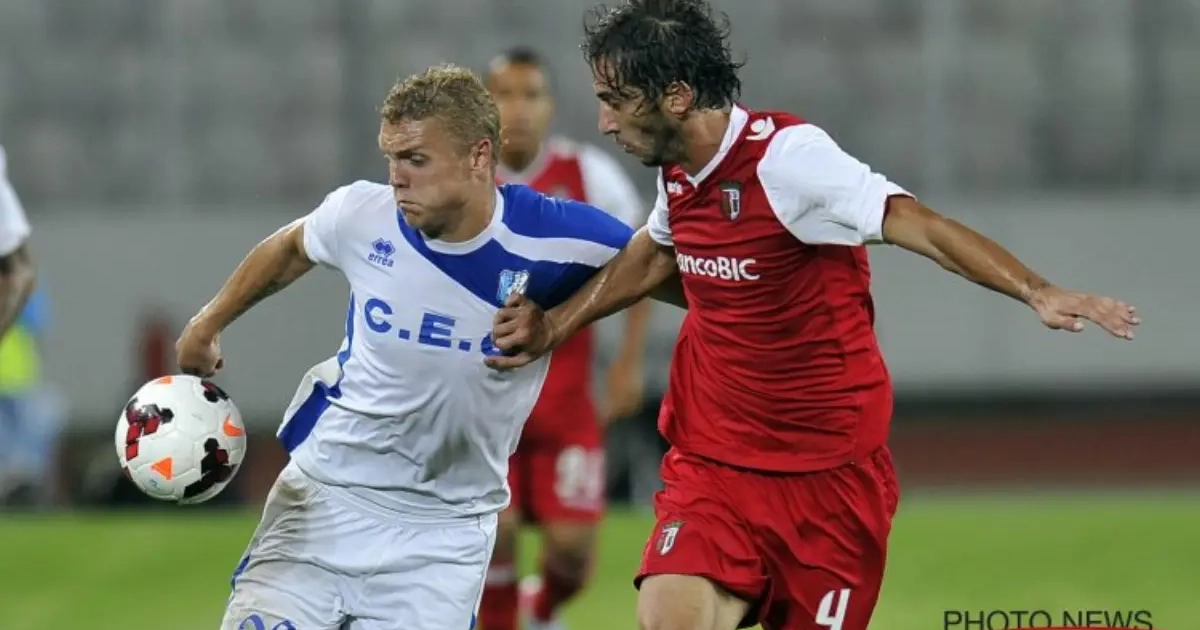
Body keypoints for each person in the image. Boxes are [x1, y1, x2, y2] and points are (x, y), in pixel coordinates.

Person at [484, 2, 1141, 630]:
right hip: (715, 466)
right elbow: (656, 252)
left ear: (676, 98)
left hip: (829, 481)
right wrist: (555, 324)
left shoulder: (789, 161)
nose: (604, 122)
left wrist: (1036, 290)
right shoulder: (679, 171)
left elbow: (919, 225)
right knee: (668, 616)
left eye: (616, 100)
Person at [174, 63, 636, 630]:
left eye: (415, 159)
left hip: (444, 539)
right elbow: (292, 246)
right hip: (324, 502)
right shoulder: (361, 214)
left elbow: (659, 261)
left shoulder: (553, 234)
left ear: (478, 156)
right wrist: (208, 322)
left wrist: (560, 322)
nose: (396, 178)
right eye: (391, 157)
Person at [480, 46, 651, 630]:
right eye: (505, 94)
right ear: (485, 103)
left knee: (573, 554)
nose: (518, 109)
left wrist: (627, 363)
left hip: (566, 398)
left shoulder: (588, 176)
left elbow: (642, 263)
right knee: (494, 535)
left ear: (550, 105)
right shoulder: (468, 181)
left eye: (531, 95)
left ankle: (543, 608)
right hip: (485, 398)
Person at [0, 143, 48, 507]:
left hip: (15, 380)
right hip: (16, 376)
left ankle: (18, 490)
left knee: (15, 445)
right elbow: (21, 276)